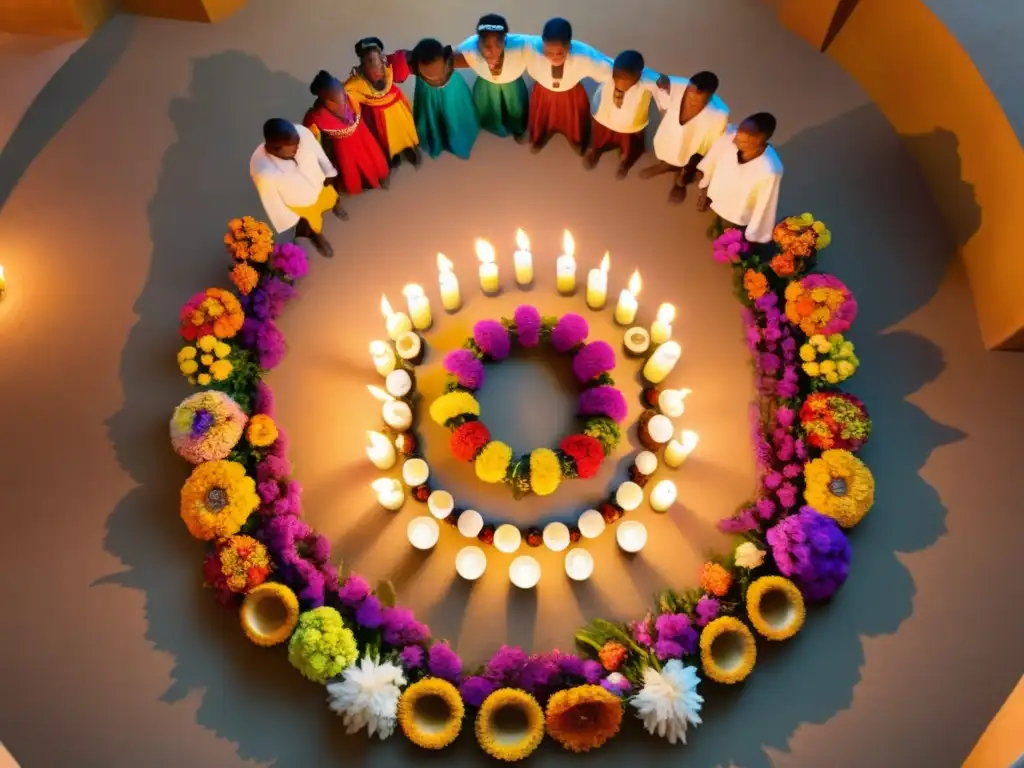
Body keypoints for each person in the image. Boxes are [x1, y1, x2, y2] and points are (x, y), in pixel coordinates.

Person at [250, 118, 344, 258]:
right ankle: (317, 237)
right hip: (302, 202)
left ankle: (336, 207)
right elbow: (272, 201)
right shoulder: (262, 171)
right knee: (312, 223)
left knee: (332, 197)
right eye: (294, 148)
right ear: (276, 149)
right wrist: (289, 220)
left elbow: (319, 153)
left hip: (319, 183)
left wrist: (329, 172)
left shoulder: (302, 133)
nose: (299, 148)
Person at [523, 18, 611, 155]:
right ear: (542, 43)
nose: (554, 58)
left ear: (569, 46)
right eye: (549, 53)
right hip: (543, 93)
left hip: (571, 95)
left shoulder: (584, 54)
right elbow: (512, 43)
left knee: (574, 120)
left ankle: (576, 139)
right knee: (542, 117)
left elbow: (608, 68)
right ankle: (540, 136)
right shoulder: (531, 49)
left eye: (560, 53)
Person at [640, 70, 729, 204]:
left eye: (699, 102)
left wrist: (694, 168)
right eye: (690, 95)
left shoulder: (719, 113)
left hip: (690, 151)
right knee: (666, 153)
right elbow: (652, 80)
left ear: (710, 97)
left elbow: (708, 145)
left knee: (685, 171)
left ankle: (679, 184)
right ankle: (664, 166)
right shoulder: (675, 85)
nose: (692, 102)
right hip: (668, 137)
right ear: (687, 87)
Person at [696, 113, 783, 244]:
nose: (735, 139)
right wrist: (704, 191)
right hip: (717, 196)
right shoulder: (727, 140)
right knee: (715, 221)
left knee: (725, 234)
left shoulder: (770, 169)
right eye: (738, 132)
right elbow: (710, 163)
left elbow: (765, 203)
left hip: (738, 211)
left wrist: (755, 233)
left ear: (759, 140)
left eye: (743, 140)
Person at [304, 70, 391, 196]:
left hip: (365, 140)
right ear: (327, 100)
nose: (342, 94)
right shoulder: (318, 117)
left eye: (340, 87)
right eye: (337, 92)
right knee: (352, 174)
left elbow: (371, 94)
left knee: (376, 163)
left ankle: (380, 179)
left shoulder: (350, 95)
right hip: (347, 151)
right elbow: (311, 138)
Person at [345, 37, 421, 168]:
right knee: (387, 139)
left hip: (397, 108)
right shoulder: (357, 81)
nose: (376, 68)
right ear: (362, 64)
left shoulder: (389, 66)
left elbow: (402, 69)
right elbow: (345, 93)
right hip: (378, 115)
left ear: (382, 58)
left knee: (405, 132)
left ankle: (410, 149)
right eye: (369, 62)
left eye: (377, 60)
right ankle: (393, 156)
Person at [453, 13, 530, 142]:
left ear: (505, 39)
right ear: (478, 40)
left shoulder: (519, 45)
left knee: (515, 106)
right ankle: (491, 123)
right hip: (486, 83)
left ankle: (518, 128)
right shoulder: (468, 47)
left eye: (498, 44)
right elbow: (451, 54)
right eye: (487, 45)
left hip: (511, 82)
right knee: (489, 106)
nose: (492, 51)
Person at [583, 49, 658, 178]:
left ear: (639, 76)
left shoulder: (648, 82)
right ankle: (596, 150)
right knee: (599, 136)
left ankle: (626, 162)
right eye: (617, 79)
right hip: (605, 117)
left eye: (628, 82)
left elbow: (666, 84)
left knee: (629, 144)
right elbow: (589, 60)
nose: (621, 85)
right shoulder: (605, 71)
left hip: (630, 125)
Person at [410, 38, 480, 160]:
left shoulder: (452, 60)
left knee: (455, 116)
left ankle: (459, 142)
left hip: (452, 92)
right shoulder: (413, 66)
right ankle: (435, 141)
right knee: (430, 118)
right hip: (428, 94)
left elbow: (474, 59)